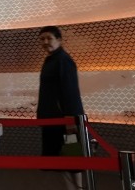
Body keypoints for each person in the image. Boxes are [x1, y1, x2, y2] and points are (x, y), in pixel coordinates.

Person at [37, 25, 85, 190]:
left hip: (63, 120)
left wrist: (70, 120)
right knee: (63, 158)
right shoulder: (52, 60)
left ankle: (78, 188)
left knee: (72, 157)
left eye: (49, 38)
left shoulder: (63, 60)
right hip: (54, 119)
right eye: (42, 39)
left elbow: (70, 91)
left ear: (59, 40)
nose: (45, 42)